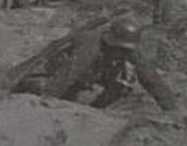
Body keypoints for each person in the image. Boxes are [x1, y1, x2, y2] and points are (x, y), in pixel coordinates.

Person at [12, 17, 176, 110]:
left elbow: (150, 77)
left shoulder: (127, 47)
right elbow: (67, 75)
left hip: (81, 81)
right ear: (112, 42)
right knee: (43, 90)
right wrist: (49, 104)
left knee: (121, 88)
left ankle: (94, 112)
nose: (126, 54)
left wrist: (170, 108)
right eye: (121, 49)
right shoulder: (90, 45)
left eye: (127, 50)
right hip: (47, 77)